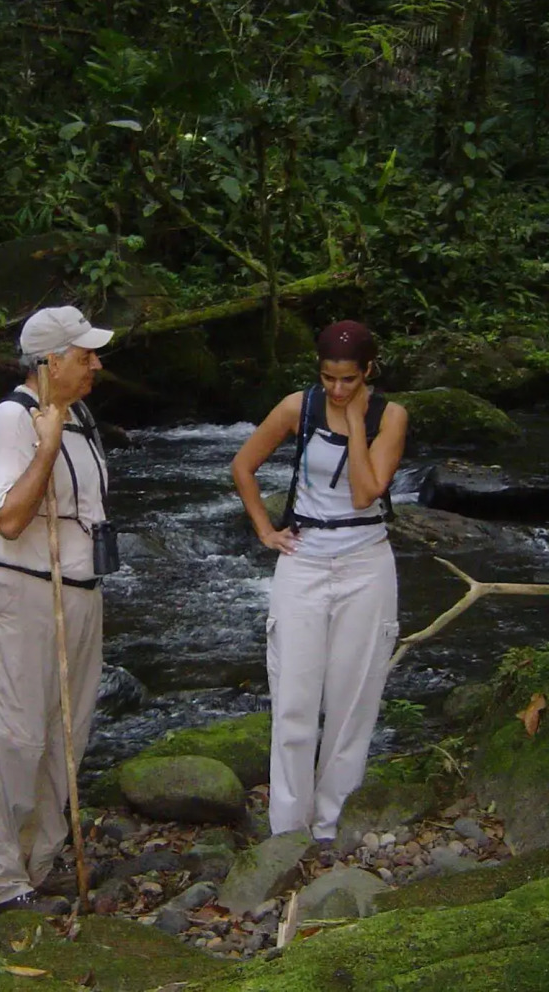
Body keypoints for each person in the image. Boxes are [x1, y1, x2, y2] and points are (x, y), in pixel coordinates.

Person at [230, 320, 408, 843]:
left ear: (369, 371)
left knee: (354, 700)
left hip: (365, 563)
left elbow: (366, 492)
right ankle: (289, 830)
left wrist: (355, 424)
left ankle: (331, 825)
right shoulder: (297, 408)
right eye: (328, 377)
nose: (336, 389)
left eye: (348, 379)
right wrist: (266, 529)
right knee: (294, 699)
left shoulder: (389, 417)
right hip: (304, 562)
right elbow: (243, 466)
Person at [0, 304, 113, 913]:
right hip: (22, 590)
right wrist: (46, 447)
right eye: (84, 356)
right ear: (49, 363)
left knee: (67, 734)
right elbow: (9, 518)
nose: (96, 365)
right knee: (14, 735)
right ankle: (3, 883)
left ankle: (44, 859)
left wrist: (61, 435)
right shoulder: (10, 420)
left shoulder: (78, 419)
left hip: (76, 591)